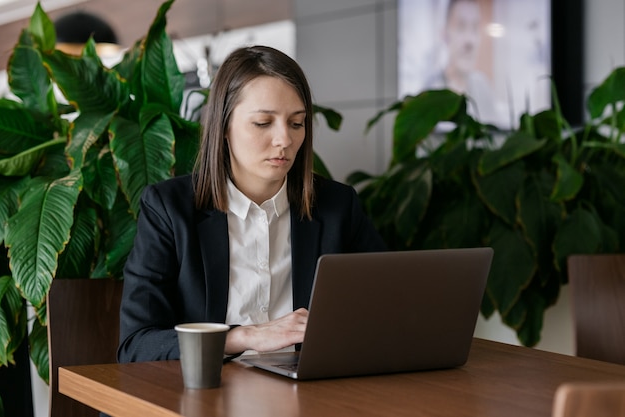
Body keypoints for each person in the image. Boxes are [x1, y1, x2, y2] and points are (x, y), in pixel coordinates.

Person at [118, 45, 387, 363]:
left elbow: (388, 307)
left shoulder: (337, 206)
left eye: (297, 124)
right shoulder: (168, 209)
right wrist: (242, 336)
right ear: (224, 128)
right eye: (263, 123)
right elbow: (137, 345)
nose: (284, 140)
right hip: (205, 396)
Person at [425, 0, 507, 127]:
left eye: (475, 28)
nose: (470, 41)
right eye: (461, 27)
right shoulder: (430, 90)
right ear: (445, 35)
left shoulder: (482, 85)